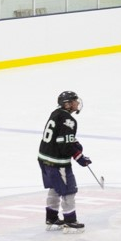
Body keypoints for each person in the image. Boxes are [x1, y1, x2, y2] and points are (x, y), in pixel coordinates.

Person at [38, 91, 91, 232]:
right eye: (74, 101)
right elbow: (64, 145)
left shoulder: (56, 113)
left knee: (55, 188)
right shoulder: (69, 120)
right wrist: (79, 157)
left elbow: (60, 136)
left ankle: (52, 218)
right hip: (57, 162)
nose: (77, 103)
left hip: (44, 158)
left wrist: (75, 143)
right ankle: (70, 221)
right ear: (67, 104)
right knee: (68, 190)